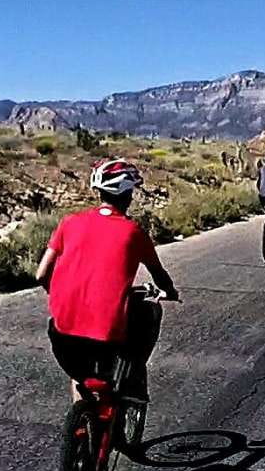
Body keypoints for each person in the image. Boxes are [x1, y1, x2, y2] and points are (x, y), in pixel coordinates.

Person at [35, 158, 179, 402]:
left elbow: (41, 274)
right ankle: (134, 375)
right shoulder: (133, 232)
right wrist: (170, 292)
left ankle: (82, 416)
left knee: (80, 375)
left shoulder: (69, 222)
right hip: (108, 336)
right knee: (151, 311)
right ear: (128, 195)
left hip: (61, 334)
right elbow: (159, 274)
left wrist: (63, 295)